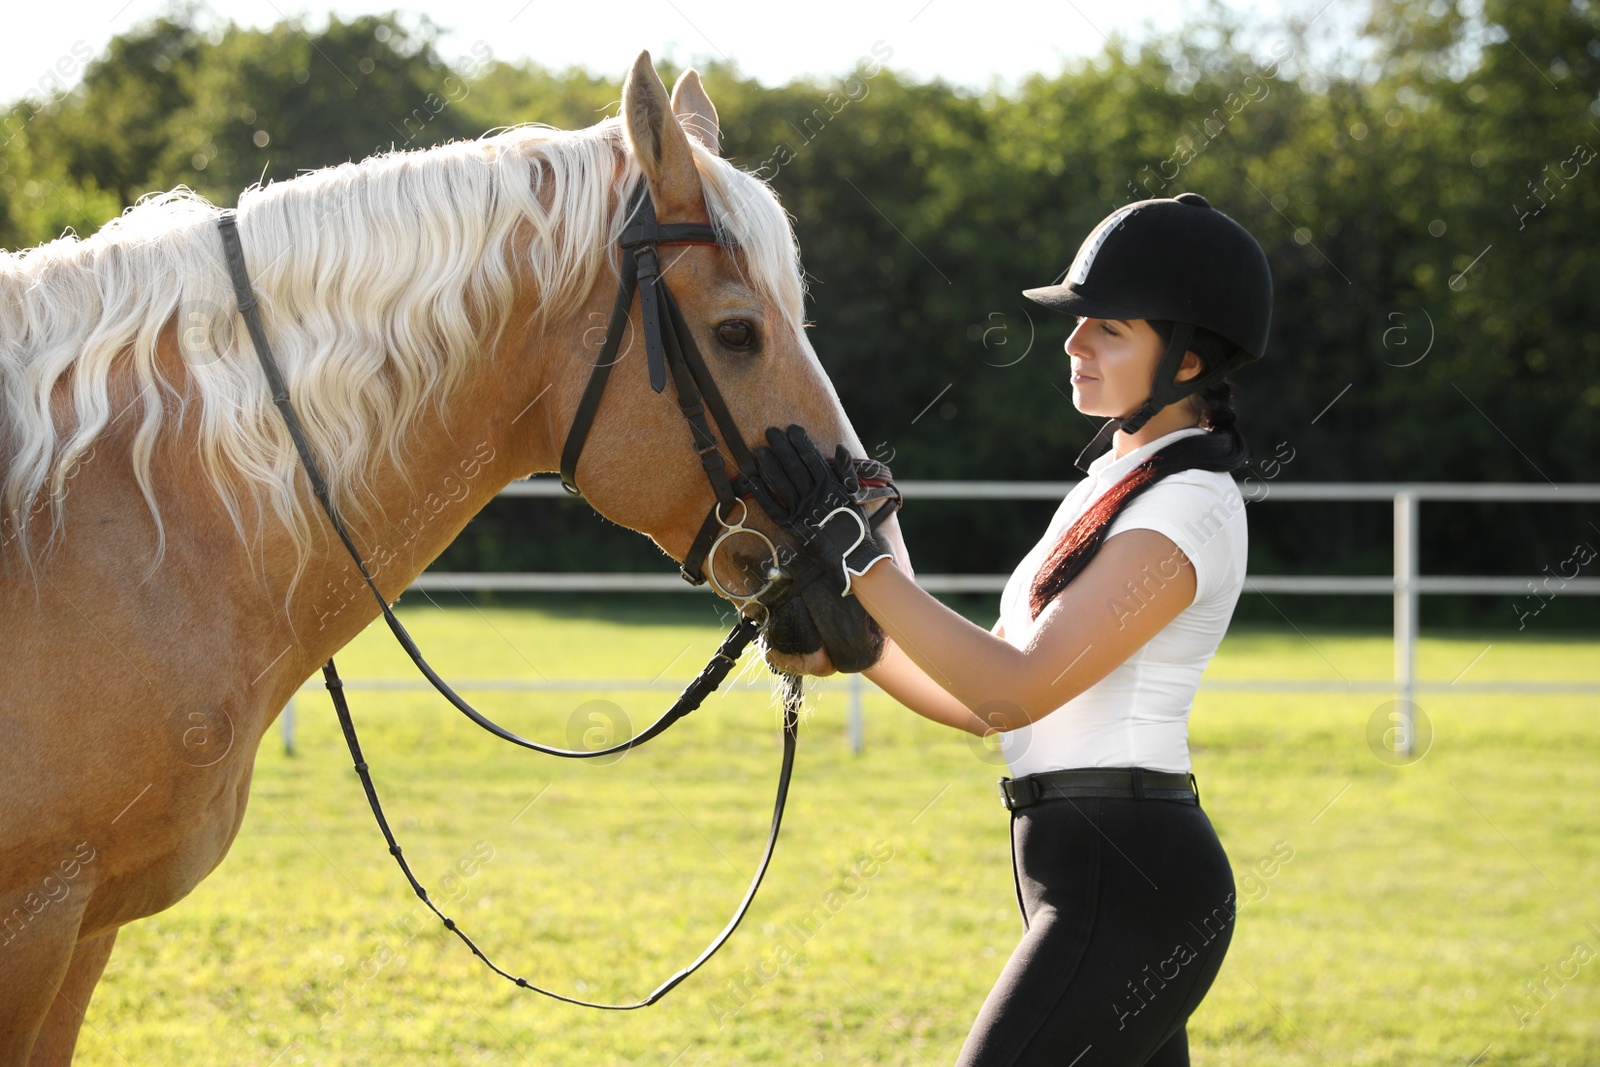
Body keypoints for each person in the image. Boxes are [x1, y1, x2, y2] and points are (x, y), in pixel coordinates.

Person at [753, 192, 1272, 1066]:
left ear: (1187, 357)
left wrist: (855, 557)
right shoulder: (1117, 486)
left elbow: (1013, 685)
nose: (1073, 344)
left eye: (1108, 327)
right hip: (1084, 868)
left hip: (1128, 879)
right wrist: (855, 638)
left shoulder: (1186, 507)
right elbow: (983, 702)